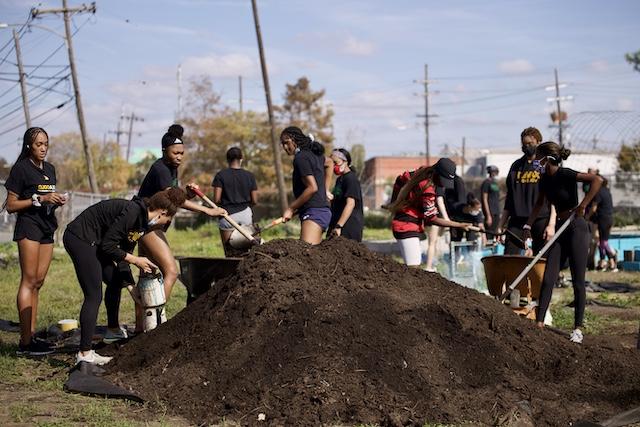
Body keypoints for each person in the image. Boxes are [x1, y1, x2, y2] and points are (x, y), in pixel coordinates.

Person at [64, 188, 187, 365]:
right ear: (163, 212)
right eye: (168, 220)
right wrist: (136, 260)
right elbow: (109, 246)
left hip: (98, 242)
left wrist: (131, 287)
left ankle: (113, 331)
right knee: (94, 295)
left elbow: (123, 253)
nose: (166, 225)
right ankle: (84, 354)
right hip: (81, 238)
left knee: (115, 281)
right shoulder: (133, 212)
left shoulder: (143, 223)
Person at [136, 124, 226, 333]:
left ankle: (141, 329)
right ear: (164, 151)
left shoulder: (171, 168)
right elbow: (170, 198)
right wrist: (207, 211)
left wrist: (189, 194)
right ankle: (156, 325)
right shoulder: (160, 168)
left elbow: (175, 198)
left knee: (147, 274)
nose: (179, 157)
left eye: (182, 153)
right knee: (171, 271)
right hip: (146, 224)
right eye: (175, 153)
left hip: (151, 223)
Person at [523, 142, 603, 344]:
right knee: (549, 276)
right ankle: (539, 323)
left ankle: (577, 328)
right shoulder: (544, 180)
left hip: (576, 226)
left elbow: (597, 180)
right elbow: (539, 203)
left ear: (547, 159)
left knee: (577, 279)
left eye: (537, 158)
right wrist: (527, 226)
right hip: (560, 226)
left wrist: (583, 205)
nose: (535, 162)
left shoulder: (565, 174)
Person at [4, 127, 67, 356]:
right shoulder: (21, 169)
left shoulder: (50, 169)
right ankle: (25, 343)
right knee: (28, 280)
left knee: (39, 281)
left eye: (46, 144)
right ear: (29, 146)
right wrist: (38, 199)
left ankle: (31, 335)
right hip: (28, 227)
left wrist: (55, 201)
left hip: (47, 228)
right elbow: (11, 206)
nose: (43, 148)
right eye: (39, 144)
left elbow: (46, 199)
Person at [385, 158, 473, 267]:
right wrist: (458, 225)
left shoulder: (421, 172)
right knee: (414, 269)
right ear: (436, 173)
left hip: (404, 221)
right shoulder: (427, 189)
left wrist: (394, 203)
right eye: (442, 180)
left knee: (413, 269)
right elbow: (432, 218)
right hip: (406, 225)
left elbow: (400, 179)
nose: (443, 184)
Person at [498, 127, 556, 255]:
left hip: (541, 219)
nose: (527, 147)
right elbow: (509, 199)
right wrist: (500, 225)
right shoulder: (516, 166)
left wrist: (551, 224)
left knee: (542, 259)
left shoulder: (546, 165)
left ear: (539, 142)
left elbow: (554, 198)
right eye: (524, 144)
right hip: (517, 220)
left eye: (530, 143)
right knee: (509, 256)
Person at [280, 126, 331, 245]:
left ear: (295, 140)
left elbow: (312, 188)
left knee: (306, 255)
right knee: (313, 255)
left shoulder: (300, 158)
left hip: (315, 212)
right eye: (282, 144)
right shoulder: (314, 154)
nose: (285, 147)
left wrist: (290, 208)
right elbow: (329, 163)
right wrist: (326, 191)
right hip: (321, 210)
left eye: (286, 143)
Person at [212, 147, 258, 255]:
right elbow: (255, 200)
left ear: (227, 160)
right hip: (245, 214)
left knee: (230, 252)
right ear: (241, 159)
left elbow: (216, 199)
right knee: (245, 251)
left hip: (227, 215)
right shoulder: (249, 176)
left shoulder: (221, 175)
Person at [327, 148, 364, 242]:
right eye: (332, 164)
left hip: (348, 226)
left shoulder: (351, 179)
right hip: (337, 223)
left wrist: (339, 226)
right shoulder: (340, 179)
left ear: (345, 162)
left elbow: (350, 204)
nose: (333, 166)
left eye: (336, 163)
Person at [587, 178, 617, 271]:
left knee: (603, 241)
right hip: (609, 218)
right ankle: (608, 263)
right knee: (602, 241)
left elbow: (594, 208)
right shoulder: (607, 192)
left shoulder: (599, 192)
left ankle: (612, 256)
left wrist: (587, 216)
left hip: (603, 219)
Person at [481, 165, 501, 239]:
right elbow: (484, 199)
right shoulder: (486, 183)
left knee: (496, 234)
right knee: (489, 233)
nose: (495, 173)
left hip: (497, 212)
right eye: (494, 172)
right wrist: (488, 215)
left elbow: (496, 198)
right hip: (490, 212)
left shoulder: (495, 183)